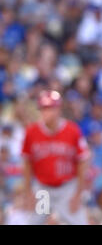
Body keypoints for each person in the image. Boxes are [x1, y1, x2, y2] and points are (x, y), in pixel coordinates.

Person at [21, 90, 90, 224]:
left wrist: (78, 192)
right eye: (43, 108)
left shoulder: (72, 130)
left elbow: (82, 162)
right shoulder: (31, 132)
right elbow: (27, 163)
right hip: (43, 188)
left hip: (67, 188)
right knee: (33, 222)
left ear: (58, 109)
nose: (45, 112)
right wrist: (28, 191)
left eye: (49, 108)